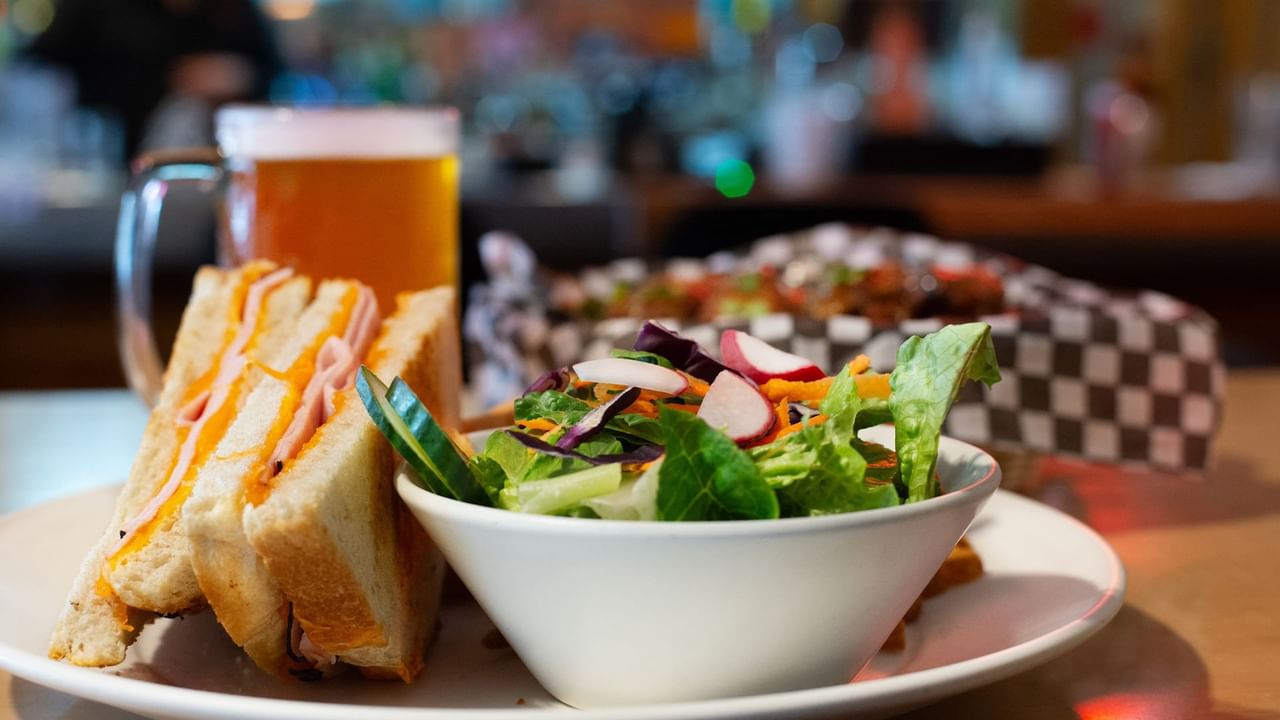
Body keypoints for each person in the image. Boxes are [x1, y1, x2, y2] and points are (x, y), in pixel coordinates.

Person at [21, 0, 282, 161]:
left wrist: (240, 74)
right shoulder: (100, 8)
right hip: (109, 171)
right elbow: (34, 68)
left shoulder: (234, 10)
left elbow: (274, 72)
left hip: (211, 176)